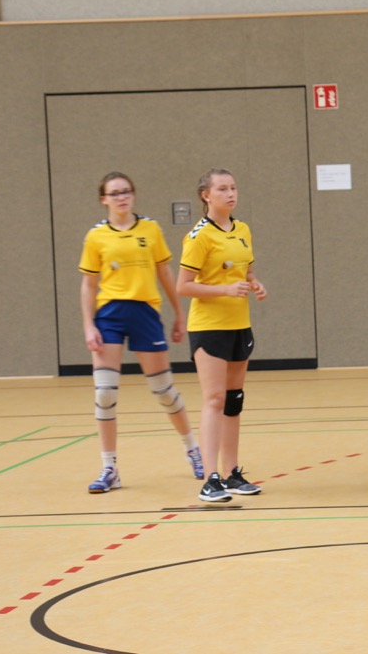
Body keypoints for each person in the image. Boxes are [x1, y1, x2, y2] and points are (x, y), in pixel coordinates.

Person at [79, 172, 202, 493]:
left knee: (164, 390)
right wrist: (89, 324)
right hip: (109, 316)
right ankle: (109, 468)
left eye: (126, 191)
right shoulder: (96, 236)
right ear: (104, 199)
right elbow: (88, 284)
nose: (122, 197)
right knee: (105, 393)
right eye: (114, 193)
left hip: (145, 313)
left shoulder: (150, 229)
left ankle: (192, 448)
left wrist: (179, 315)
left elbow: (165, 273)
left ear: (133, 195)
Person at [177, 169, 268, 503]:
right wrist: (225, 289)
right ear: (206, 195)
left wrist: (255, 283)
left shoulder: (242, 229)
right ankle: (209, 478)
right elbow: (183, 286)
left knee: (233, 400)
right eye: (222, 189)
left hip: (238, 324)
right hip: (209, 326)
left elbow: (247, 270)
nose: (230, 194)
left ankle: (231, 473)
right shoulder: (199, 236)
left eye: (233, 188)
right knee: (214, 399)